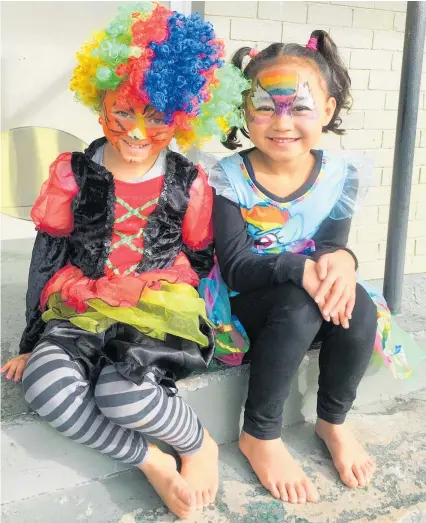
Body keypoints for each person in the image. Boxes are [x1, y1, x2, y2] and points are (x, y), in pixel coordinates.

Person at [0, 3, 248, 519]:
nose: (136, 132)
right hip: (81, 300)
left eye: (157, 119)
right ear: (101, 100)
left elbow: (201, 254)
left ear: (182, 117)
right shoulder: (72, 171)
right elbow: (48, 253)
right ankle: (153, 462)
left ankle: (199, 444)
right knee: (44, 383)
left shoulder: (187, 180)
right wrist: (33, 339)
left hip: (155, 305)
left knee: (122, 394)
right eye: (124, 113)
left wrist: (195, 317)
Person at [205, 30, 412, 505]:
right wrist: (299, 269)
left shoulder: (341, 175)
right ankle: (260, 432)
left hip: (306, 288)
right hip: (247, 302)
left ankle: (332, 421)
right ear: (243, 111)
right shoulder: (228, 178)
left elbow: (331, 245)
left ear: (329, 110)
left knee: (358, 306)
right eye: (264, 106)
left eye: (299, 107)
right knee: (300, 306)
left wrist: (344, 259)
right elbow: (236, 267)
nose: (282, 122)